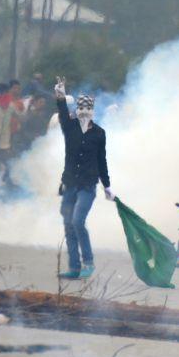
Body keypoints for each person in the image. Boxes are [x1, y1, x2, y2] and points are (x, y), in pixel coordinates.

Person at [54, 77, 114, 279]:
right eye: (81, 110)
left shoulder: (99, 134)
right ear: (76, 111)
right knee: (68, 224)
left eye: (87, 110)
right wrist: (61, 95)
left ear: (92, 112)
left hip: (88, 186)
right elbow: (62, 113)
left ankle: (88, 262)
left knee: (78, 221)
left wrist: (107, 186)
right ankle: (74, 268)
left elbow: (101, 161)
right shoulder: (69, 128)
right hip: (70, 184)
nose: (83, 114)